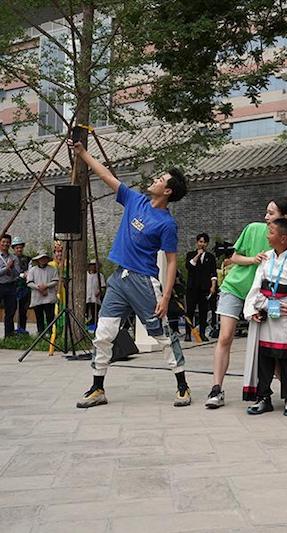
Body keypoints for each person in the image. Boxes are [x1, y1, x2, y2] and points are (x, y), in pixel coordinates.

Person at [70, 139, 190, 409]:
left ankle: (182, 386)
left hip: (143, 281)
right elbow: (107, 177)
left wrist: (166, 296)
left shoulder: (166, 224)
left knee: (162, 335)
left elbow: (171, 262)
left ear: (168, 191)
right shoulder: (135, 200)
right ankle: (97, 388)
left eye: (160, 179)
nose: (155, 180)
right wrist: (83, 153)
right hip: (118, 280)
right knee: (103, 334)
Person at [205, 197, 287, 409]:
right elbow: (233, 257)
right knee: (225, 336)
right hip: (237, 289)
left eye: (271, 214)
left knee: (273, 349)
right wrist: (253, 259)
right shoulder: (253, 229)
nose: (266, 217)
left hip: (265, 301)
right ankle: (216, 389)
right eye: (266, 212)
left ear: (286, 218)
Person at [242, 219, 287, 416]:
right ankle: (263, 397)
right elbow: (256, 285)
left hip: (286, 318)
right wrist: (252, 309)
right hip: (267, 314)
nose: (267, 236)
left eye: (271, 232)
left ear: (283, 238)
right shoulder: (266, 258)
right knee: (264, 359)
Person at [184, 232, 217, 342]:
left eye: (204, 242)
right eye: (200, 242)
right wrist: (198, 255)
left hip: (204, 288)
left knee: (203, 312)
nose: (202, 244)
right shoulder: (190, 254)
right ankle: (188, 333)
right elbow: (189, 266)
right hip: (192, 288)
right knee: (190, 311)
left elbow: (213, 273)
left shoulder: (210, 257)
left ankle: (202, 333)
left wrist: (213, 286)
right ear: (197, 242)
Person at [27, 251, 59, 335]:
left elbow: (56, 280)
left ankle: (51, 333)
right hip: (37, 297)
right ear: (38, 260)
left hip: (49, 296)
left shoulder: (52, 269)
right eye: (41, 258)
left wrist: (46, 286)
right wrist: (38, 287)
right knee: (39, 317)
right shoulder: (32, 270)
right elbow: (29, 282)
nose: (43, 260)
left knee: (50, 316)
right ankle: (40, 333)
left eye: (44, 258)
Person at [0, 234, 20, 338]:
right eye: (3, 242)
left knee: (10, 311)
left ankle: (9, 336)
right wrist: (6, 268)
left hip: (11, 286)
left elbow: (17, 274)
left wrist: (11, 269)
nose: (5, 244)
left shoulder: (14, 258)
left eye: (7, 242)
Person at [11, 237, 31, 334]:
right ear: (13, 248)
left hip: (24, 288)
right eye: (17, 248)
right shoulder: (10, 259)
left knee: (23, 311)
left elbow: (31, 270)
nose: (19, 249)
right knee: (11, 310)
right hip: (13, 288)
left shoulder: (28, 259)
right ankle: (10, 331)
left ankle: (22, 330)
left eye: (20, 247)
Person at [85, 260, 106, 326]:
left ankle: (94, 325)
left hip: (95, 298)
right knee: (86, 312)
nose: (93, 267)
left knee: (95, 313)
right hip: (86, 297)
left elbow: (103, 286)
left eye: (95, 266)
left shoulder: (100, 276)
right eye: (92, 265)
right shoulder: (85, 275)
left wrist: (99, 292)